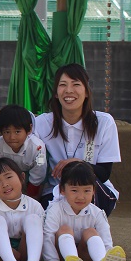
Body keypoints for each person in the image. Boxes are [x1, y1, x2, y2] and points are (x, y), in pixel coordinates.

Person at [33, 63, 121, 215]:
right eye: (63, 85)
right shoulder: (41, 123)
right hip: (56, 190)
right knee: (49, 219)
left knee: (85, 200)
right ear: (56, 93)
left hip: (93, 190)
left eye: (76, 84)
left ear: (86, 92)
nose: (69, 90)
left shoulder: (104, 122)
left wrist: (77, 163)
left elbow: (104, 173)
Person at [42, 161, 126, 261]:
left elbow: (106, 241)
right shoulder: (55, 210)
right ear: (62, 190)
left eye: (87, 190)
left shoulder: (97, 213)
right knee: (64, 229)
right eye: (74, 190)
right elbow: (47, 240)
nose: (81, 197)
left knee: (90, 232)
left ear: (93, 190)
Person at [0, 105, 47, 198]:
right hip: (5, 179)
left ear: (29, 129)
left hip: (31, 180)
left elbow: (39, 173)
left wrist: (29, 197)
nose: (12, 137)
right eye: (7, 132)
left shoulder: (37, 147)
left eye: (17, 132)